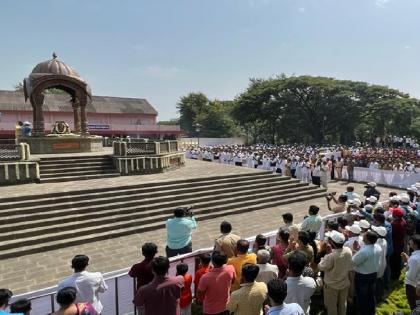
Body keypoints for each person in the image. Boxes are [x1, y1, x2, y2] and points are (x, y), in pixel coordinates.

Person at [318, 230, 352, 315]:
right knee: (343, 304)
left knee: (331, 306)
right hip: (344, 282)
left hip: (332, 285)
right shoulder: (348, 250)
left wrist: (327, 254)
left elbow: (321, 267)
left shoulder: (331, 256)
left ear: (331, 242)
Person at [352, 231, 382, 315]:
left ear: (368, 240)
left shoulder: (364, 251)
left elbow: (353, 262)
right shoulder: (377, 247)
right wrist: (358, 250)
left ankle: (363, 312)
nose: (363, 236)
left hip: (362, 276)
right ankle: (371, 311)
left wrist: (355, 250)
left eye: (364, 236)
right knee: (371, 295)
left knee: (362, 297)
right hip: (373, 274)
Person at [197, 251, 236, 315]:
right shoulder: (231, 268)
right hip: (226, 306)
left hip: (210, 310)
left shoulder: (205, 277)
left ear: (212, 262)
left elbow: (200, 294)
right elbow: (233, 281)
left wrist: (201, 301)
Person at [402, 234, 420, 311]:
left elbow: (410, 276)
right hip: (417, 285)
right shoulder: (415, 257)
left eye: (411, 241)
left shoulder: (414, 258)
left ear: (415, 244)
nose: (409, 242)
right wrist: (408, 261)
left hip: (412, 286)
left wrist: (406, 263)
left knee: (414, 306)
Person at [390, 208, 407, 280]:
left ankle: (394, 276)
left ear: (395, 215)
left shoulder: (395, 224)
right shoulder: (403, 221)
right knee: (398, 260)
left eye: (393, 213)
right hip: (400, 243)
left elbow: (392, 234)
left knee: (394, 261)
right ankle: (397, 274)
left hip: (395, 245)